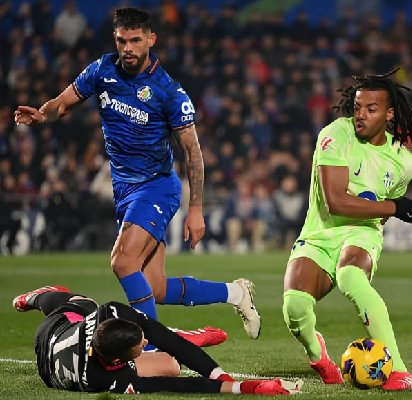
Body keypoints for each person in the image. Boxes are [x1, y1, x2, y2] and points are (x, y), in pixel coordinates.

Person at [13, 7, 261, 345]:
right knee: (155, 287)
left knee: (123, 261)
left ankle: (154, 346)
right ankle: (236, 293)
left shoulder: (168, 91)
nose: (128, 48)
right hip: (124, 190)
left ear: (150, 39)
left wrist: (195, 209)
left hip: (156, 187)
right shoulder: (102, 70)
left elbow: (193, 152)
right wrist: (43, 115)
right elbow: (63, 103)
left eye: (135, 40)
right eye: (122, 41)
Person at [281, 68, 412, 390]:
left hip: (362, 233)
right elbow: (336, 201)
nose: (361, 115)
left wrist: (387, 212)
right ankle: (318, 355)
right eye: (358, 107)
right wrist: (395, 208)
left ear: (389, 114)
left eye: (371, 109)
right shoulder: (336, 135)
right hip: (320, 233)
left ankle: (399, 371)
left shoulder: (402, 161)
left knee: (351, 276)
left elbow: (381, 213)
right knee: (295, 307)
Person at [13, 285, 301, 395]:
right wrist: (245, 387)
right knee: (171, 367)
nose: (145, 342)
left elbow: (164, 337)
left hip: (58, 332)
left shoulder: (110, 312)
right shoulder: (109, 380)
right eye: (140, 346)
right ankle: (40, 297)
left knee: (85, 306)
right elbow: (180, 386)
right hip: (49, 351)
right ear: (119, 361)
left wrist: (220, 375)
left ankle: (36, 297)